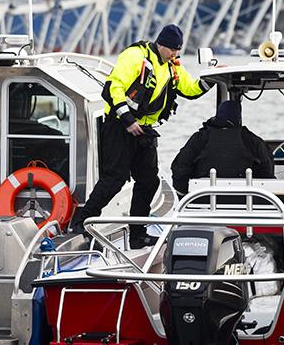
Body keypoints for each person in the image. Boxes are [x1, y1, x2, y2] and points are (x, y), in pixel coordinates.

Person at [69, 24, 209, 248]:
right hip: (119, 126)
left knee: (149, 181)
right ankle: (80, 221)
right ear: (161, 44)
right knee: (114, 179)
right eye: (172, 49)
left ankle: (137, 234)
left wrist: (210, 78)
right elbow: (113, 88)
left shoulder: (172, 67)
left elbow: (191, 89)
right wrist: (128, 121)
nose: (175, 54)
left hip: (144, 131)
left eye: (178, 50)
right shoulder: (135, 56)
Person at [170, 99, 275, 195]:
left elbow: (180, 167)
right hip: (246, 202)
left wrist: (185, 194)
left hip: (202, 202)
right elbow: (267, 170)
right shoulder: (251, 140)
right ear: (239, 118)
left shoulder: (201, 138)